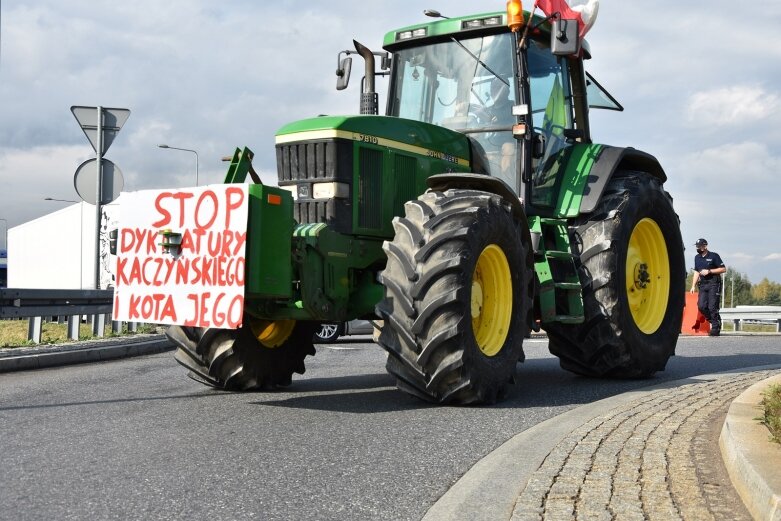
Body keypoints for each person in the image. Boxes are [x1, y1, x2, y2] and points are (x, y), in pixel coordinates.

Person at [689, 238, 726, 336]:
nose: (697, 248)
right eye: (697, 246)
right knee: (701, 306)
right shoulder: (697, 257)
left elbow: (723, 269)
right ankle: (714, 321)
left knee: (712, 306)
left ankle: (715, 327)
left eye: (699, 246)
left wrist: (709, 271)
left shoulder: (714, 256)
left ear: (705, 246)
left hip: (714, 283)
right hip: (703, 285)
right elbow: (696, 272)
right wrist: (693, 285)